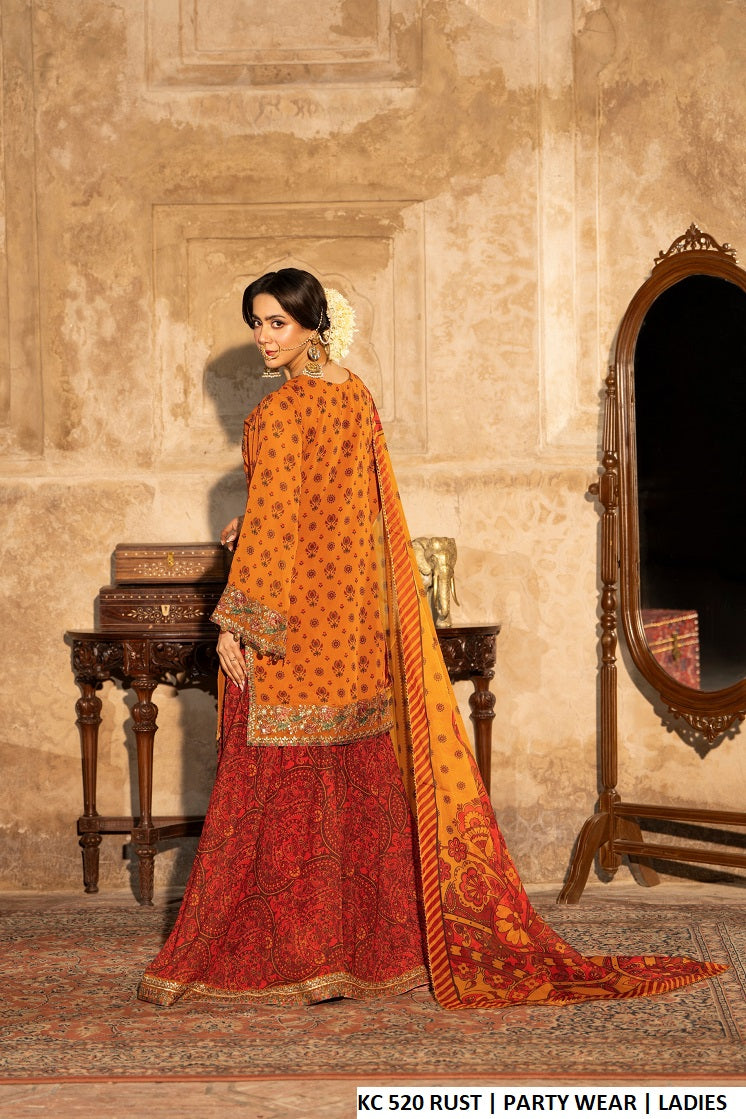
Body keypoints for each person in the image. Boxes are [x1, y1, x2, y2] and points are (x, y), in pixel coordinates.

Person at [138, 268, 724, 1009]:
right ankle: (368, 953)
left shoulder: (278, 413)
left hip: (291, 635)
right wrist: (250, 521)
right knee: (350, 786)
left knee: (276, 793)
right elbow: (347, 510)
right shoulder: (356, 396)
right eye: (256, 323)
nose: (263, 337)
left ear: (314, 326)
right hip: (353, 630)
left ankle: (293, 956)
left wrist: (236, 624)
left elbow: (284, 520)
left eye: (277, 323)